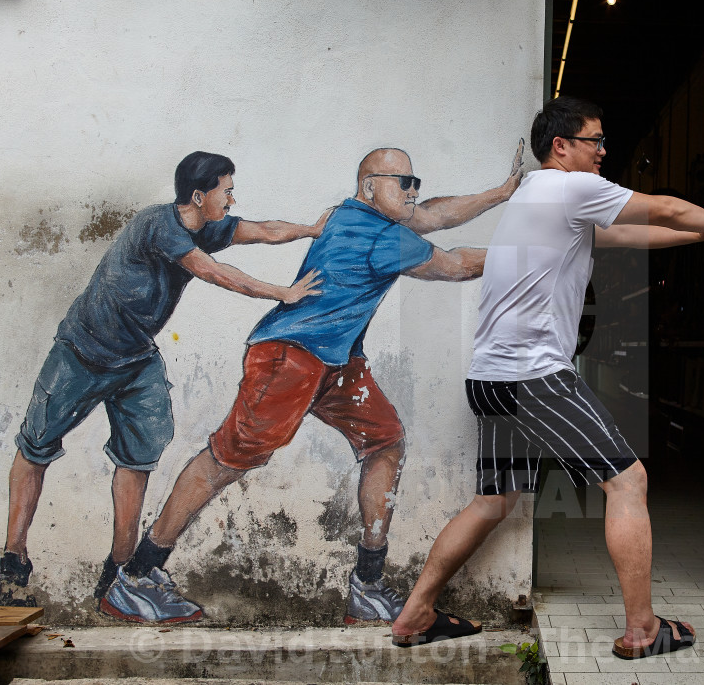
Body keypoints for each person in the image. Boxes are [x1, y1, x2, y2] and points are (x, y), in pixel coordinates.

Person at [101, 144, 524, 625]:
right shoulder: (379, 236)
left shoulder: (353, 214)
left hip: (336, 362)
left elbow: (431, 216)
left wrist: (501, 192)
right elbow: (455, 264)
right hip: (291, 357)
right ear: (369, 187)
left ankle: (367, 586)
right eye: (401, 182)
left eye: (414, 182)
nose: (412, 192)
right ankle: (137, 577)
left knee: (384, 441)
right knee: (227, 460)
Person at [390, 96, 704, 660]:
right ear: (562, 146)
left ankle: (416, 613)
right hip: (534, 376)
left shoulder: (534, 198)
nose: (603, 152)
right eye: (595, 141)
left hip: (491, 377)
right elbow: (664, 209)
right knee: (628, 482)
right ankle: (642, 629)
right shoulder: (569, 187)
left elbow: (633, 236)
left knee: (494, 499)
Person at [0, 151, 329, 608]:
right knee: (36, 447)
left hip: (135, 359)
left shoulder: (207, 226)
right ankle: (13, 561)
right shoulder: (159, 226)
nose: (232, 199)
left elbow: (264, 231)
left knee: (139, 457)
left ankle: (118, 573)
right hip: (82, 351)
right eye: (225, 191)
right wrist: (281, 293)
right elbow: (212, 271)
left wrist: (311, 229)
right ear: (198, 195)